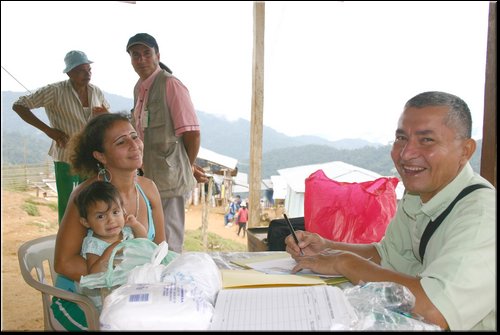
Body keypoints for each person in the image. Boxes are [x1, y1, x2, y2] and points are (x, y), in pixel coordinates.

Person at [285, 91, 495, 331]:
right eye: (401, 138)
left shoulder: (483, 216)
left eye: (426, 140)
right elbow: (387, 254)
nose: (406, 154)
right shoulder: (418, 195)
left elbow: (435, 310)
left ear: (465, 151)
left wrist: (344, 262)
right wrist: (328, 246)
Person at [52, 113, 166, 331]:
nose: (134, 145)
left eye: (134, 136)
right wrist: (119, 279)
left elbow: (159, 250)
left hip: (131, 297)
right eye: (121, 142)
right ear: (101, 156)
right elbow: (64, 264)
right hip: (83, 302)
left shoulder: (149, 189)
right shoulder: (86, 196)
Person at [126, 33, 208, 253]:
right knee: (152, 237)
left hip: (170, 177)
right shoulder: (139, 88)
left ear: (157, 55)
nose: (141, 59)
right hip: (147, 175)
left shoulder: (171, 85)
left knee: (170, 241)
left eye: (146, 53)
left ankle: (172, 285)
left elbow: (192, 133)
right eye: (135, 55)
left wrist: (186, 165)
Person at [12, 50, 110, 224]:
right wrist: (48, 130)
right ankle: (66, 241)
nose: (87, 74)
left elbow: (108, 118)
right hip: (67, 155)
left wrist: (106, 114)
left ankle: (90, 240)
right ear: (69, 72)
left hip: (91, 156)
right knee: (69, 202)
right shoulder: (55, 91)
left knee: (93, 200)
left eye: (89, 70)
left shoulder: (96, 92)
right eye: (82, 70)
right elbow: (19, 105)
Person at [75, 180, 147, 311]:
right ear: (86, 222)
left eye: (115, 212)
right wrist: (110, 251)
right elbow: (94, 273)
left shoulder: (125, 231)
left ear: (123, 211)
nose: (111, 220)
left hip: (126, 289)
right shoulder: (93, 243)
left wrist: (135, 225)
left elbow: (143, 241)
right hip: (104, 298)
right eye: (101, 216)